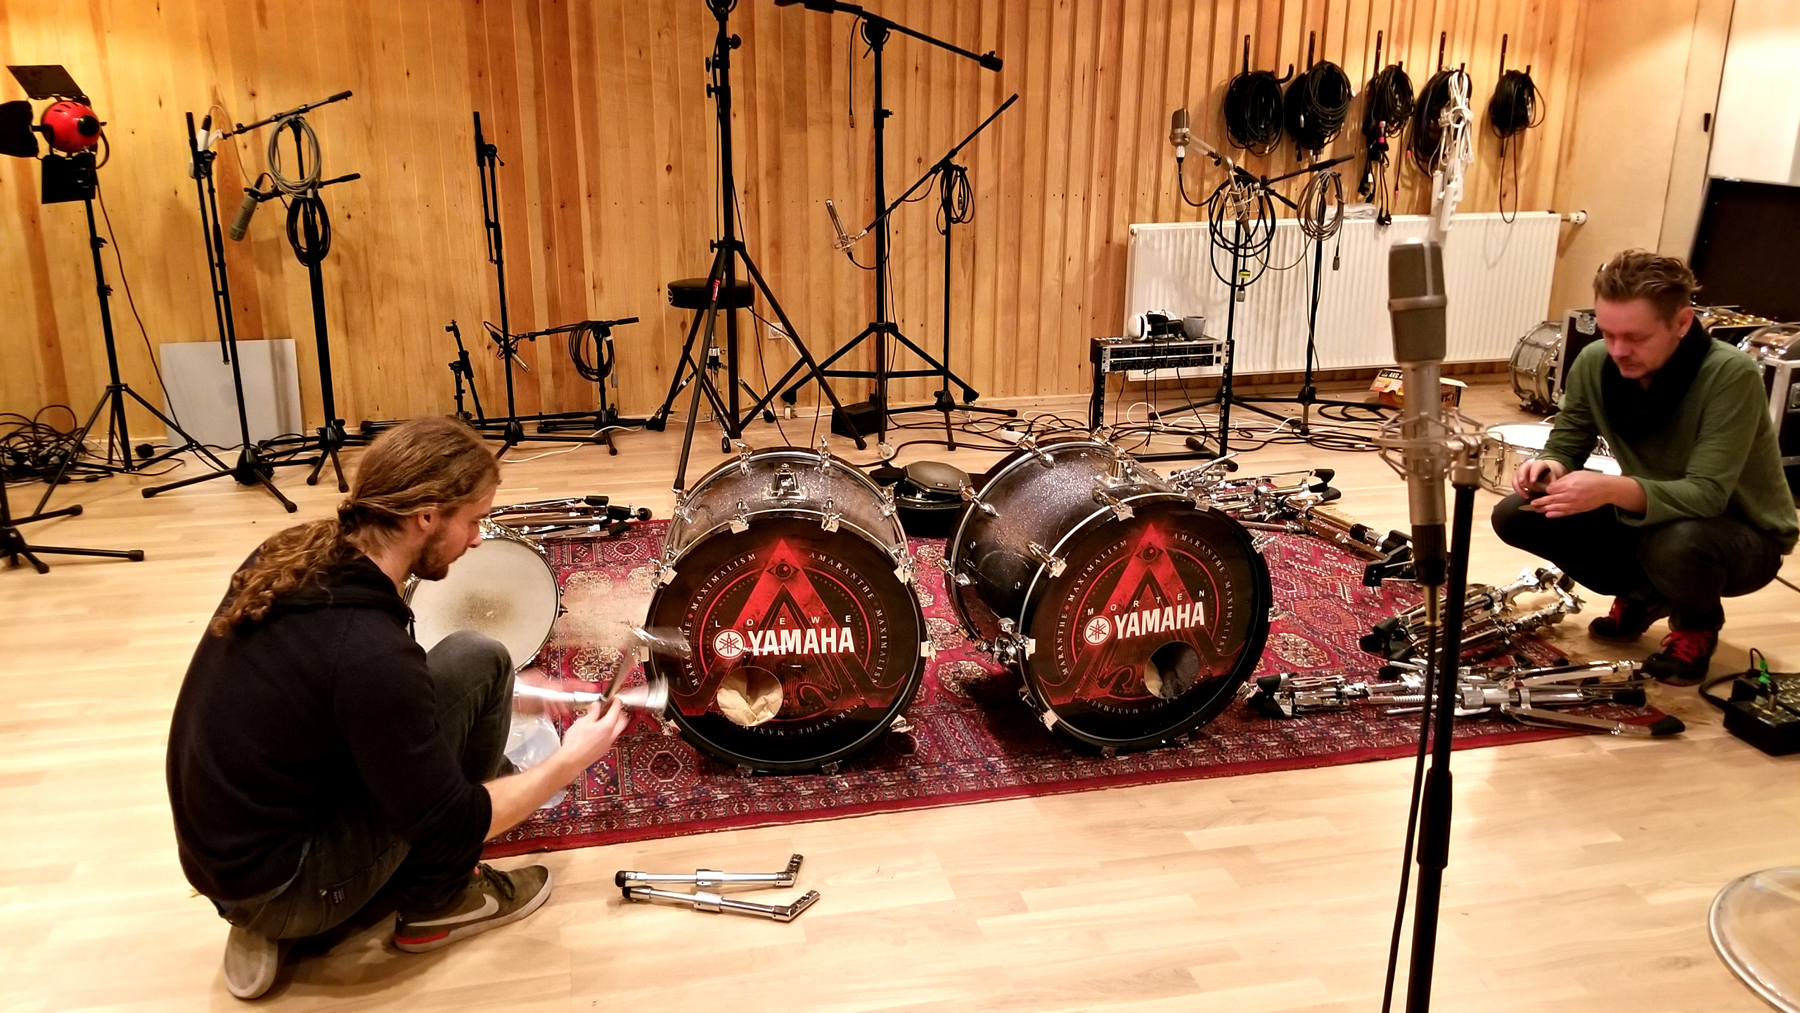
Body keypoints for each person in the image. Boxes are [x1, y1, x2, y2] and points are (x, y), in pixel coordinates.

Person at [165, 417, 630, 1000]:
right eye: (473, 520)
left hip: (227, 853)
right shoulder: (368, 652)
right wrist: (568, 761)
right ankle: (436, 901)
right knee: (457, 795)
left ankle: (270, 916)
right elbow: (454, 823)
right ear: (426, 517)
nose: (478, 538)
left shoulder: (292, 552)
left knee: (481, 661)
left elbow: (334, 703)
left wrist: (509, 697)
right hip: (282, 881)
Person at [1493, 250, 1797, 685]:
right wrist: (1550, 467)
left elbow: (1708, 495)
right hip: (1656, 517)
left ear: (1682, 322)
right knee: (1517, 515)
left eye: (1635, 337)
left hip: (1740, 534)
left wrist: (1608, 489)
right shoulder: (1595, 361)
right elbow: (1567, 442)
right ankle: (1643, 594)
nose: (1618, 350)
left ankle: (1695, 627)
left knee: (1677, 542)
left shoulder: (1730, 374)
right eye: (1608, 333)